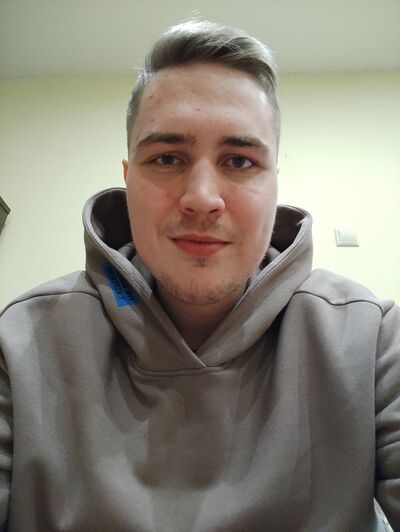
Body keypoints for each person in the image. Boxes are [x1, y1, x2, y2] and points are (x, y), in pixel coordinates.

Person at [0, 19, 399, 532]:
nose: (202, 198)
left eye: (240, 161)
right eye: (167, 158)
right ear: (128, 180)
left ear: (275, 183)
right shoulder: (20, 343)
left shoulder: (372, 341)